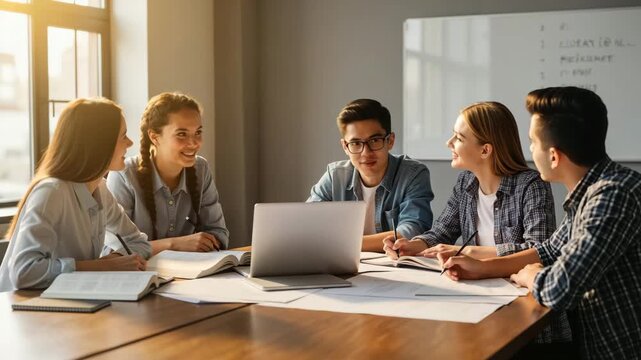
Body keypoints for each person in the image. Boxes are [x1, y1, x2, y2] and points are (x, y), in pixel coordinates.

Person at [439, 87, 641, 359]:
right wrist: (482, 269)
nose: (530, 150)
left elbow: (560, 288)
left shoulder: (613, 195)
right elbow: (549, 250)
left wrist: (531, 274)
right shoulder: (589, 192)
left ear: (554, 156)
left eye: (533, 143)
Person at [383, 101, 570, 345]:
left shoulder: (531, 185)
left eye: (458, 138)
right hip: (478, 298)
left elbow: (539, 251)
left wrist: (472, 253)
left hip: (525, 313)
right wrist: (415, 245)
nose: (449, 143)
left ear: (485, 150)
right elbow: (442, 231)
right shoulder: (465, 183)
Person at [0, 98, 150, 292]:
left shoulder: (100, 188)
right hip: (21, 311)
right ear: (98, 144)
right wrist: (101, 266)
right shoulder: (52, 192)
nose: (130, 143)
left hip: (72, 301)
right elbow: (24, 272)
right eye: (123, 136)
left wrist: (117, 260)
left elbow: (139, 243)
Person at [107, 92, 229, 255]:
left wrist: (207, 242)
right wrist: (173, 244)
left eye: (198, 132)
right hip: (141, 277)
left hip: (191, 276)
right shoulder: (124, 175)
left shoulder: (201, 169)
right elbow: (114, 250)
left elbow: (219, 233)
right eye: (181, 134)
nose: (193, 143)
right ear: (154, 137)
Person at [308, 99, 434, 252]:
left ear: (390, 141)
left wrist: (343, 244)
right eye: (355, 143)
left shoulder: (412, 174)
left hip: (394, 270)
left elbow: (412, 231)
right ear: (345, 147)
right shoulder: (335, 176)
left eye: (374, 140)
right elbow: (308, 225)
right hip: (340, 264)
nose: (366, 153)